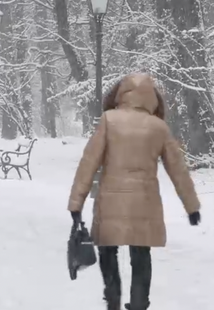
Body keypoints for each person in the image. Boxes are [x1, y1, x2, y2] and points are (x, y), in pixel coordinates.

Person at [67, 73, 201, 310]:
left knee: (108, 251)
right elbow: (177, 169)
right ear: (153, 98)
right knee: (141, 255)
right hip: (144, 203)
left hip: (110, 200)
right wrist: (191, 207)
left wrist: (76, 203)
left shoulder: (109, 120)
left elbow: (89, 162)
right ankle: (139, 304)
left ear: (120, 94)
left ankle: (113, 297)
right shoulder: (159, 127)